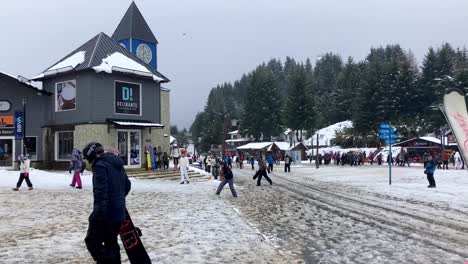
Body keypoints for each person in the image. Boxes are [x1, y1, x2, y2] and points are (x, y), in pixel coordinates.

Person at [82, 142, 131, 264]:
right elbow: (127, 186)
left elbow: (100, 194)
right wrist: (118, 199)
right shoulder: (116, 163)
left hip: (106, 214)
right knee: (111, 241)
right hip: (119, 213)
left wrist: (96, 216)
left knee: (92, 241)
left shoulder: (100, 166)